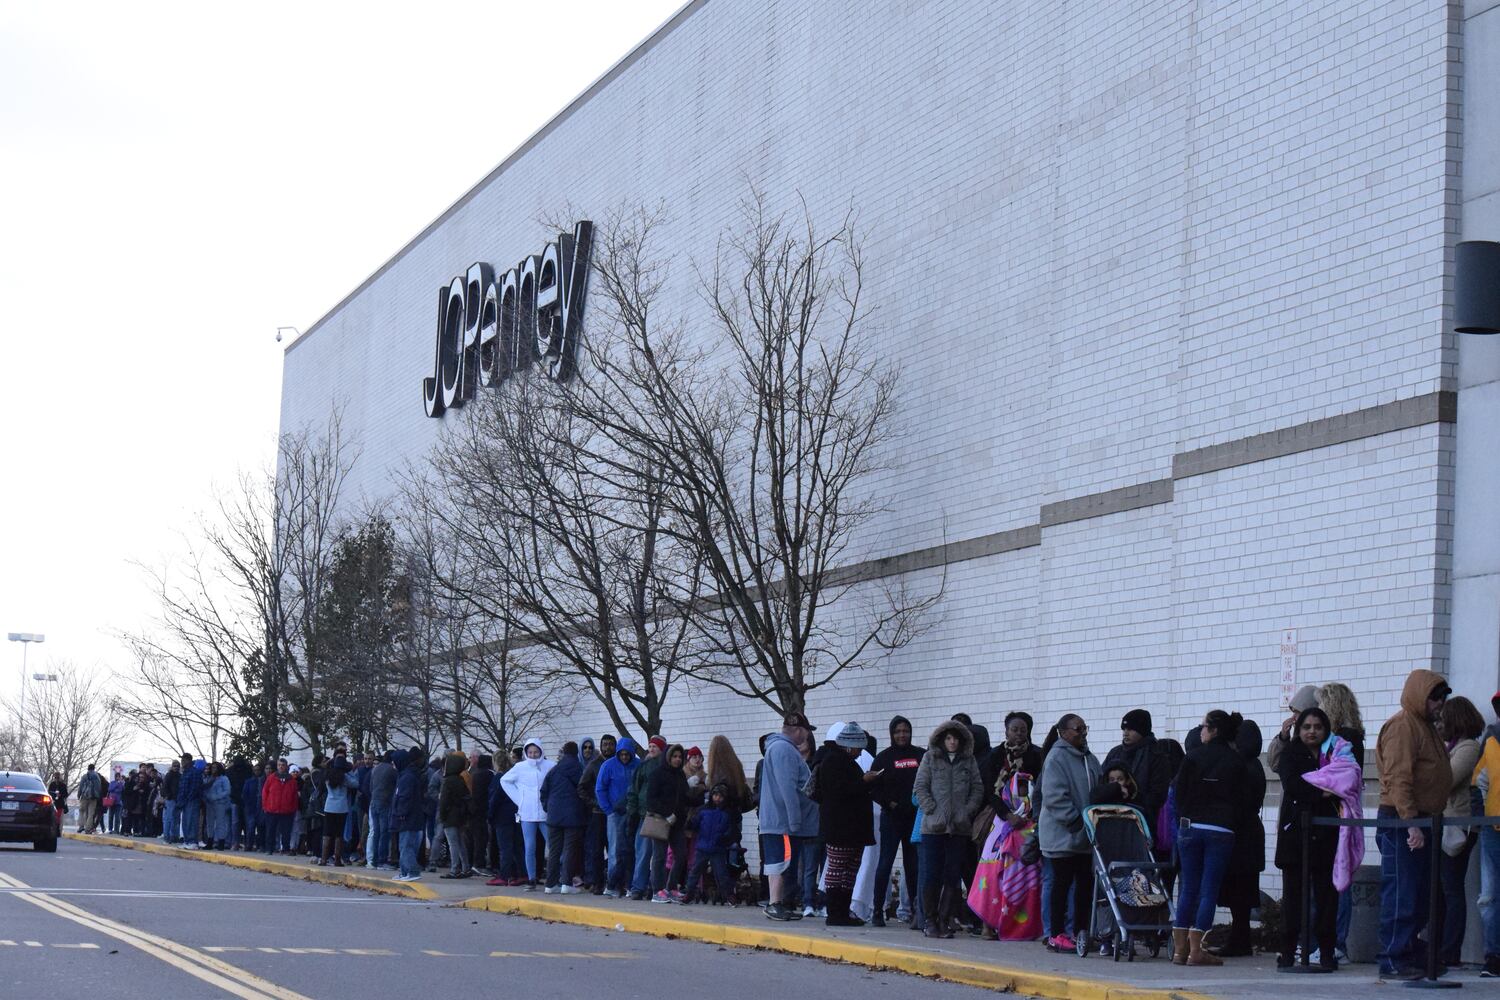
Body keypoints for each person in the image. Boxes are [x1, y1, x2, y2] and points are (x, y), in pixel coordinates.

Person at [1374, 669, 1452, 980]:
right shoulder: (1403, 727)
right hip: (1402, 819)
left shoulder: (1426, 726)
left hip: (1424, 818)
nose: (1439, 704)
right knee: (1401, 892)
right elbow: (1398, 778)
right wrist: (1411, 824)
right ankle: (1392, 957)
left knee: (1421, 895)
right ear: (1419, 695)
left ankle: (1408, 949)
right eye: (1434, 697)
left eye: (1442, 698)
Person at [1172, 709, 1243, 967]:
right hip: (1221, 828)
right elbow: (1242, 799)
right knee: (1209, 889)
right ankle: (1197, 949)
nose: (1200, 730)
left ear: (1213, 730)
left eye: (1203, 726)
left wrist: (1185, 816)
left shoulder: (1192, 756)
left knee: (1188, 886)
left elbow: (1178, 793)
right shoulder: (1236, 761)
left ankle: (1179, 950)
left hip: (1191, 825)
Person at [1275, 707, 1342, 971]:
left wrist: (1324, 790)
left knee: (1327, 898)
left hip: (1326, 833)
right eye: (1306, 727)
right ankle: (1288, 952)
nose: (1312, 731)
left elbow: (1345, 781)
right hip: (1296, 835)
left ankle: (1326, 953)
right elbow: (1292, 784)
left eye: (1317, 726)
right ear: (1298, 730)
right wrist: (1321, 792)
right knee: (1293, 899)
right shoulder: (1291, 754)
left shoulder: (1335, 753)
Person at [914, 718, 984, 939]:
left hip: (959, 827)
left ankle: (944, 920)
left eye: (956, 739)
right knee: (931, 875)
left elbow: (977, 788)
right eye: (949, 738)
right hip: (933, 827)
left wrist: (967, 810)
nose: (952, 743)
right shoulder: (930, 758)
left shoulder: (968, 761)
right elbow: (920, 787)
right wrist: (932, 809)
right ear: (942, 740)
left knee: (952, 876)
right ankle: (930, 920)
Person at [1038, 714, 1099, 952]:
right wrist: (1074, 821)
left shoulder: (1089, 758)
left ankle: (1080, 932)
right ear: (1063, 732)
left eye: (1085, 728)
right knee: (1060, 885)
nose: (1083, 733)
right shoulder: (1056, 757)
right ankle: (1055, 933)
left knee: (1084, 885)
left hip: (1085, 834)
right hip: (1062, 834)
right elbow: (1053, 796)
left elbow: (1097, 788)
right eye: (1077, 729)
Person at [1317, 681, 1366, 963]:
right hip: (1341, 813)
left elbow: (1341, 779)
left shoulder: (1345, 739)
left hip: (1340, 814)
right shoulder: (1348, 736)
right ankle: (1332, 940)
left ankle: (1337, 942)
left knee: (1339, 877)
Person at [1434, 696, 1483, 968]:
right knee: (1440, 889)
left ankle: (1450, 951)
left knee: (1451, 889)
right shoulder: (1448, 746)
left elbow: (1447, 779)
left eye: (1443, 718)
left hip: (1458, 825)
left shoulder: (1468, 747)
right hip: (1443, 822)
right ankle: (1439, 947)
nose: (1439, 723)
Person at [815, 722, 876, 926]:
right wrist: (864, 781)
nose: (860, 753)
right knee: (839, 867)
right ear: (850, 745)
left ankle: (842, 911)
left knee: (848, 868)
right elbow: (839, 792)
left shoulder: (840, 761)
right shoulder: (835, 762)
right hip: (841, 827)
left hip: (848, 828)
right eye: (858, 748)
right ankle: (836, 912)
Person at [870, 715, 925, 927]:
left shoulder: (920, 755)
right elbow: (873, 788)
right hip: (892, 819)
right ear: (892, 734)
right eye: (898, 731)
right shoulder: (883, 758)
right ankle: (877, 909)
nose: (902, 735)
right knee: (885, 863)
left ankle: (915, 911)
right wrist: (889, 803)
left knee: (914, 866)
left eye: (906, 731)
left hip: (915, 819)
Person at [761, 713, 816, 921]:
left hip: (777, 820)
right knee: (780, 862)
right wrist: (794, 820)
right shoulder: (784, 750)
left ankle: (779, 903)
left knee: (780, 861)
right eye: (807, 730)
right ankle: (775, 903)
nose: (808, 735)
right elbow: (788, 787)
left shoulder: (777, 748)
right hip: (782, 821)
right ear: (800, 730)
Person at [501, 739, 553, 889]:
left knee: (552, 845)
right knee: (529, 846)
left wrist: (551, 801)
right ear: (526, 752)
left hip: (545, 812)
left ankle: (556, 876)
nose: (533, 755)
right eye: (530, 752)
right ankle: (531, 879)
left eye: (536, 752)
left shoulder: (550, 766)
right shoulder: (520, 767)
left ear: (541, 751)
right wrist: (519, 799)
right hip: (527, 813)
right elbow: (505, 781)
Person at [1474, 691, 1500, 978]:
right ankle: (1494, 955)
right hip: (1493, 828)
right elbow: (1476, 782)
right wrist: (1482, 817)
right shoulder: (1491, 740)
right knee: (1490, 895)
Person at [595, 737, 639, 897]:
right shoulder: (608, 766)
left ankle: (629, 883)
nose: (625, 757)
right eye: (622, 754)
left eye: (628, 754)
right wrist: (608, 810)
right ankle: (614, 884)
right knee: (615, 849)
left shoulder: (637, 765)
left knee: (632, 848)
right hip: (615, 814)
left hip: (633, 813)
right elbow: (600, 789)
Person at [541, 741, 587, 893]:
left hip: (554, 815)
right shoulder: (579, 768)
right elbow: (583, 788)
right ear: (576, 752)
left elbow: (543, 791)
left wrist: (548, 807)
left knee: (554, 851)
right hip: (573, 815)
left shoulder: (554, 770)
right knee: (569, 850)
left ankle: (550, 884)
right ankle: (566, 883)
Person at [686, 782, 741, 904]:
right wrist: (690, 824)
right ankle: (689, 892)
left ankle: (728, 895)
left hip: (717, 848)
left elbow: (731, 831)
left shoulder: (728, 813)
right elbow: (695, 823)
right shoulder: (703, 810)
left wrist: (726, 839)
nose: (717, 798)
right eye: (715, 795)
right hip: (703, 847)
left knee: (722, 874)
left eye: (720, 796)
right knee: (695, 871)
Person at [627, 736, 668, 900]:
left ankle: (655, 886)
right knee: (643, 853)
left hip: (660, 816)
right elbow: (634, 790)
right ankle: (639, 886)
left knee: (658, 855)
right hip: (645, 815)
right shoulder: (642, 767)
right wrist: (633, 811)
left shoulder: (665, 767)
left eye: (655, 747)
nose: (651, 749)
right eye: (650, 746)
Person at [579, 734, 615, 893]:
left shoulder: (618, 763)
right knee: (596, 849)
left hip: (615, 813)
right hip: (598, 813)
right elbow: (581, 788)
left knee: (615, 849)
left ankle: (614, 882)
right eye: (605, 744)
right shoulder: (593, 765)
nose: (607, 747)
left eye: (610, 744)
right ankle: (597, 882)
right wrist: (595, 802)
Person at [1268, 685, 1323, 772]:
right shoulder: (1297, 739)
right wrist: (1283, 738)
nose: (1294, 718)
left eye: (1298, 713)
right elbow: (1276, 765)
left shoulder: (1320, 741)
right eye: (1294, 712)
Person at [391, 748, 427, 882]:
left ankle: (412, 871)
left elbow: (405, 797)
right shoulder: (405, 775)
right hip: (408, 817)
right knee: (403, 845)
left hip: (408, 818)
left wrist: (401, 812)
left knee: (407, 845)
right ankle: (404, 870)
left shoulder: (407, 777)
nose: (393, 766)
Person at [436, 750, 472, 878]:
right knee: (460, 842)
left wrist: (442, 815)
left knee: (453, 843)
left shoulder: (447, 781)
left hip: (450, 816)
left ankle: (454, 869)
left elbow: (444, 801)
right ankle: (466, 867)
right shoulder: (461, 780)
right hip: (460, 816)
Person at [260, 758, 298, 854]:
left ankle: (285, 848)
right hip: (272, 809)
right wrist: (265, 806)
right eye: (279, 765)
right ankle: (269, 849)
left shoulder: (291, 780)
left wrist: (293, 808)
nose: (281, 767)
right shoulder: (271, 778)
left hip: (287, 810)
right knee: (270, 831)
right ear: (277, 766)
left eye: (283, 765)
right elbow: (265, 792)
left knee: (286, 831)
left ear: (286, 766)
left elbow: (294, 796)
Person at [466, 753, 495, 877]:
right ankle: (479, 863)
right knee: (481, 838)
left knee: (474, 838)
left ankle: (473, 862)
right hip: (482, 810)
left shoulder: (475, 774)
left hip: (474, 810)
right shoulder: (489, 775)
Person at [176, 754, 204, 848]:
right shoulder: (185, 772)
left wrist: (188, 798)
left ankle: (193, 842)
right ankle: (187, 841)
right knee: (185, 821)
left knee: (191, 821)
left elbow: (195, 787)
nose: (182, 762)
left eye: (183, 760)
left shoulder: (194, 772)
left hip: (192, 800)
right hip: (184, 800)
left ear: (188, 760)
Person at [203, 762, 231, 850]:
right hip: (209, 803)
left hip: (220, 803)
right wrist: (206, 797)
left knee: (220, 823)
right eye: (212, 768)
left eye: (215, 768)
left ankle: (221, 842)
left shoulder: (224, 778)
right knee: (209, 823)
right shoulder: (209, 778)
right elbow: (205, 789)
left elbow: (227, 791)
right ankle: (210, 842)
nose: (213, 769)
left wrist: (217, 797)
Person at [77, 764, 104, 834]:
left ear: (88, 768)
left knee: (82, 811)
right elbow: (99, 788)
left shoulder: (84, 776)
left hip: (84, 796)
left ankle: (81, 826)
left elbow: (81, 786)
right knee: (90, 814)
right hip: (93, 798)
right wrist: (97, 796)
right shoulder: (97, 777)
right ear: (94, 769)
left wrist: (79, 795)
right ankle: (88, 829)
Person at [159, 761, 179, 843]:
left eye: (178, 766)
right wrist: (168, 796)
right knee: (169, 819)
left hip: (177, 799)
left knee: (175, 819)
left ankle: (173, 836)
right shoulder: (169, 775)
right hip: (170, 799)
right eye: (175, 766)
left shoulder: (179, 776)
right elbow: (164, 787)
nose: (176, 767)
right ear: (172, 766)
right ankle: (167, 837)